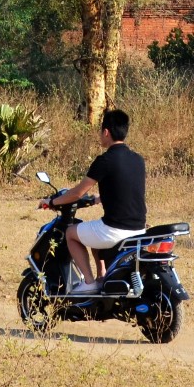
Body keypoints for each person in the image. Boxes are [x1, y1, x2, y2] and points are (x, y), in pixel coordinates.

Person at [37, 108, 147, 293]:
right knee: (93, 230)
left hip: (115, 230)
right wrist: (98, 199)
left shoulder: (105, 160)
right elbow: (124, 187)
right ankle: (102, 276)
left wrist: (52, 202)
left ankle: (88, 283)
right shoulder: (137, 159)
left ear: (106, 132)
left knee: (72, 233)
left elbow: (76, 193)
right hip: (139, 229)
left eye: (100, 132)